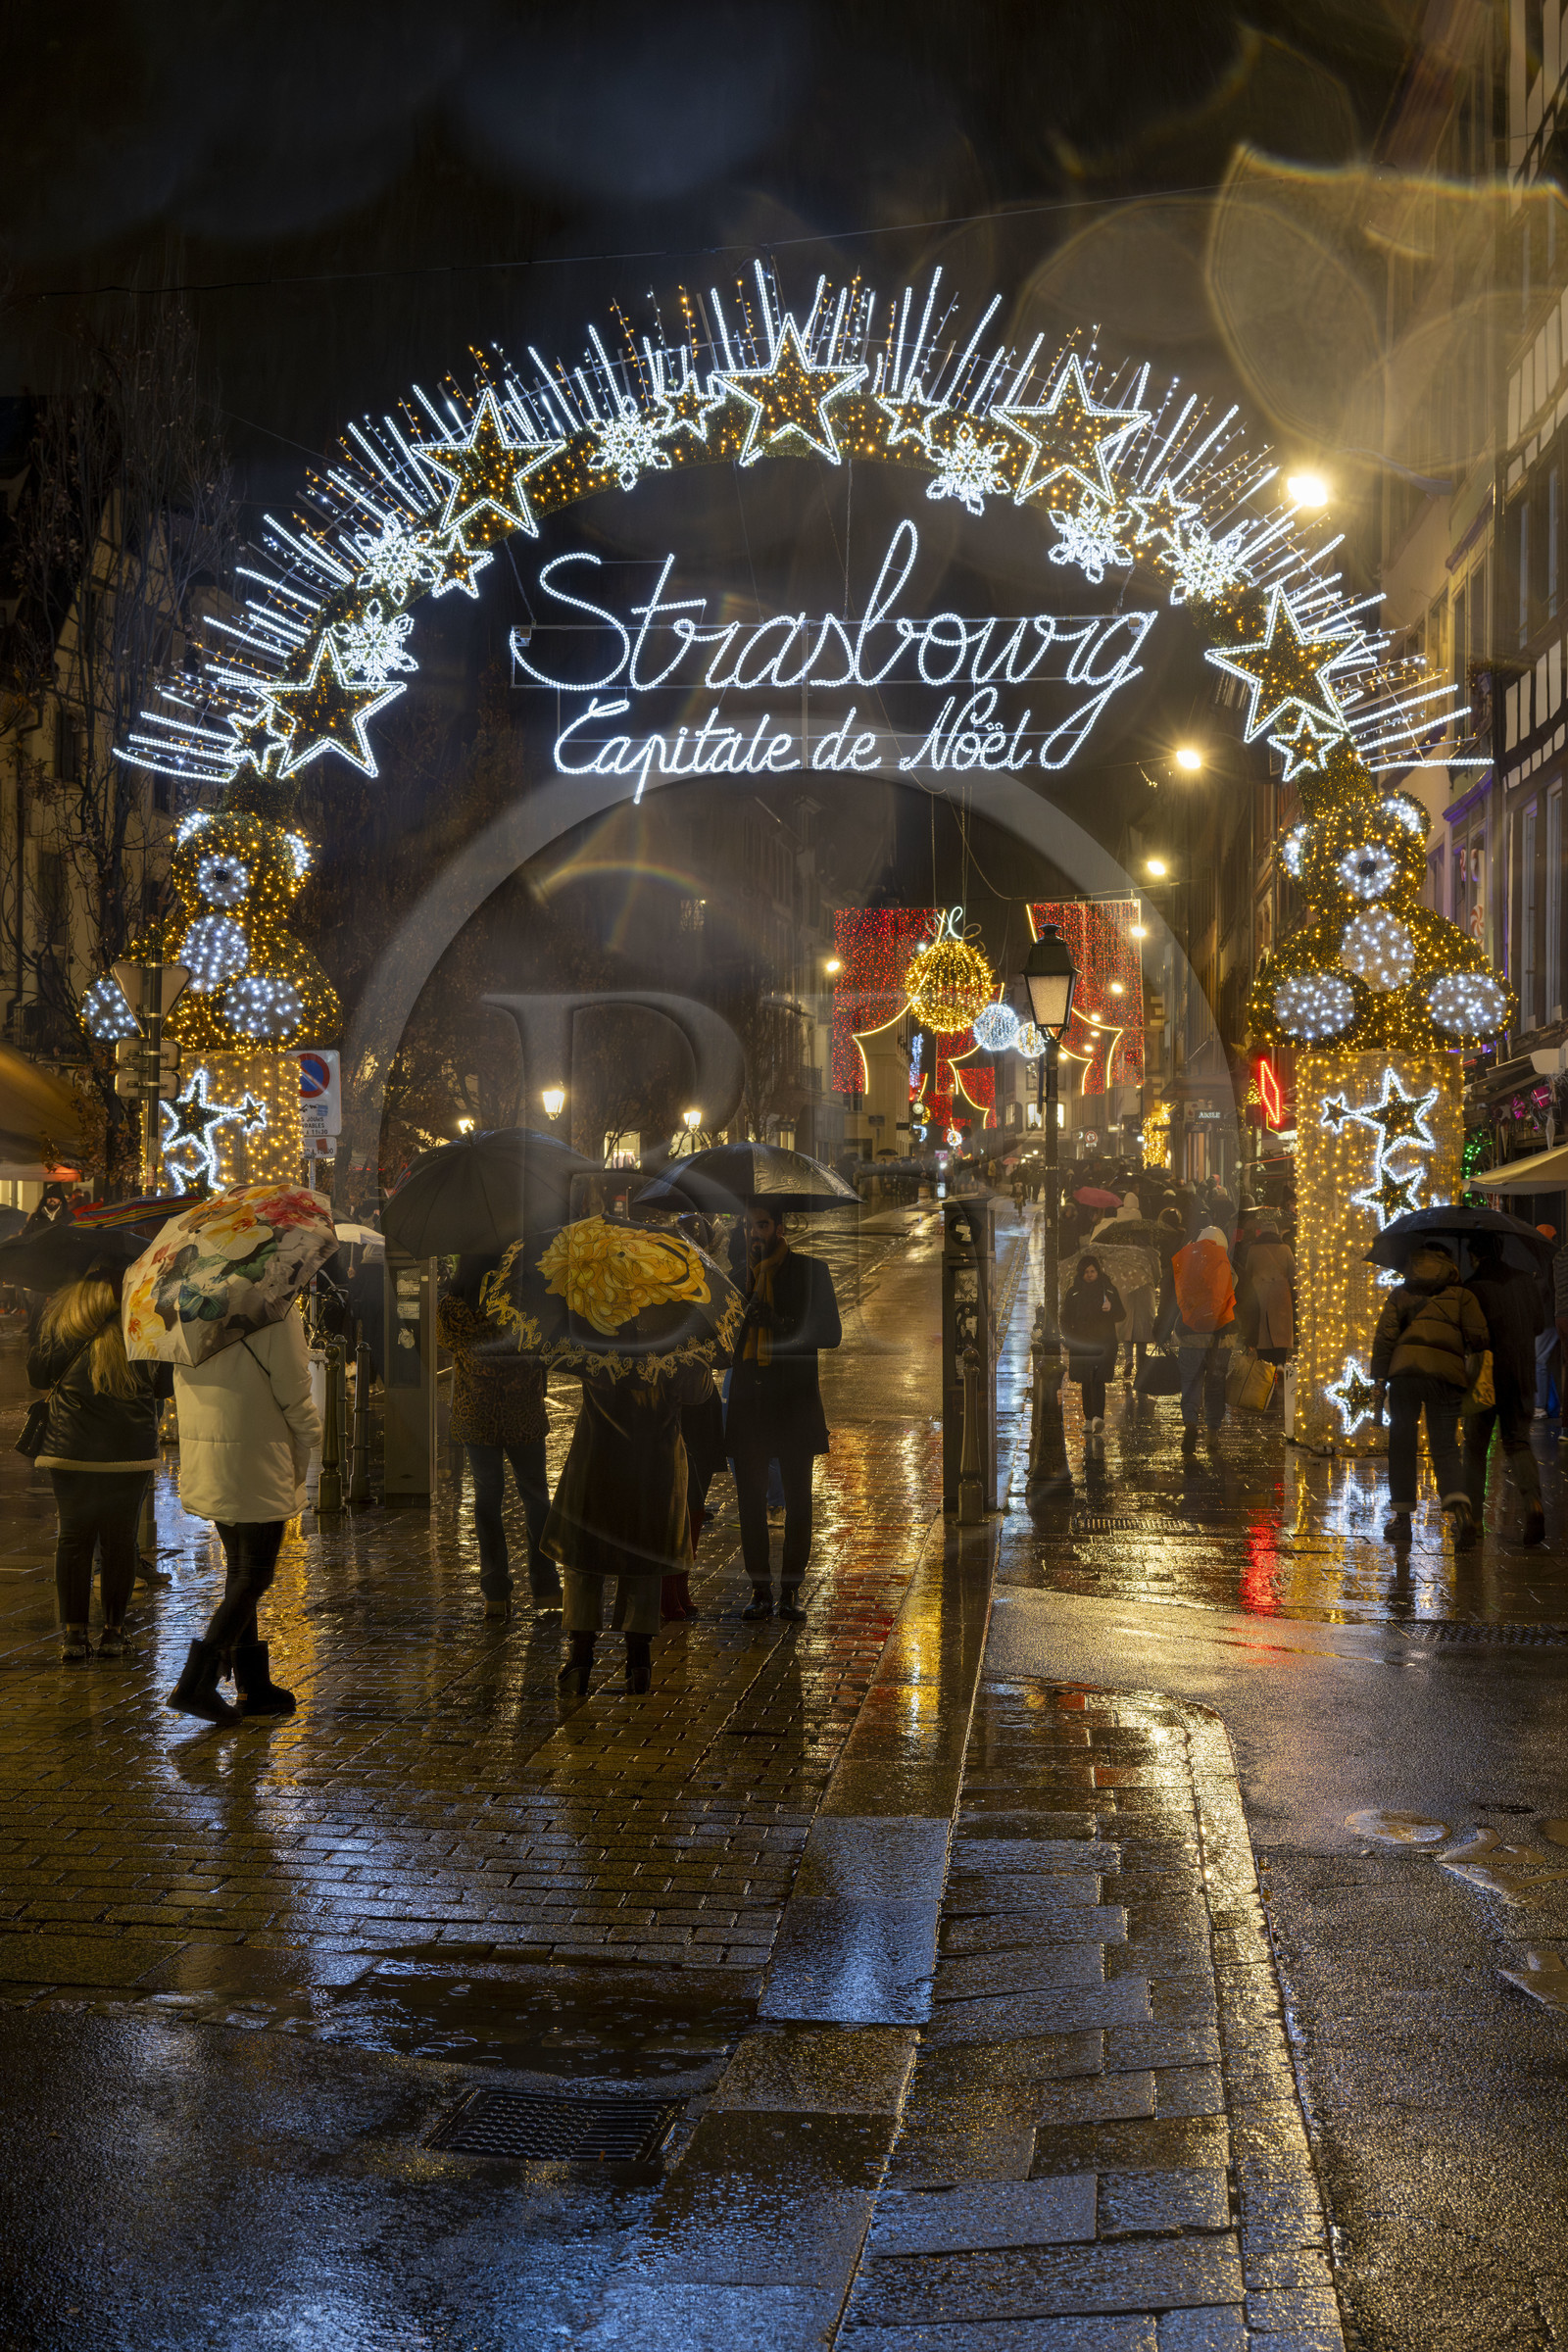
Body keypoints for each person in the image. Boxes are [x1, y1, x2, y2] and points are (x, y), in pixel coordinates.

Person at [165, 1303, 322, 1726]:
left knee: (240, 1572)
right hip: (258, 1453)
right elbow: (292, 1385)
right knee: (254, 1574)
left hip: (208, 1451)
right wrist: (314, 1434)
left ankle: (254, 1685)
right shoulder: (274, 1309)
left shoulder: (188, 1307)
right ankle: (197, 1683)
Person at [26, 1267, 172, 1662]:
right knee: (120, 1541)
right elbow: (163, 1388)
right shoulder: (146, 1320)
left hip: (70, 1448)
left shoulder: (62, 1320)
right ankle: (114, 1632)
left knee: (73, 1539)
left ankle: (74, 1637)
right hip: (129, 1452)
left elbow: (36, 1374)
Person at [549, 1362, 711, 1695]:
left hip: (598, 1449)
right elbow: (697, 1392)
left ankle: (580, 1657)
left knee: (584, 1555)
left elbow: (572, 1357)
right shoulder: (676, 1324)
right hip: (655, 1457)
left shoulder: (593, 1317)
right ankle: (639, 1660)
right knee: (644, 1555)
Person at [725, 1200, 842, 1622]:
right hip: (749, 1402)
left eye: (761, 1225)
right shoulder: (735, 1277)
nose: (753, 1235)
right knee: (750, 1503)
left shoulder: (811, 1271)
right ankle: (759, 1591)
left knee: (798, 1500)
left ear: (780, 1227)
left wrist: (776, 1321)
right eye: (747, 1227)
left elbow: (830, 1334)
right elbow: (721, 1348)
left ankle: (791, 1591)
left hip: (793, 1401)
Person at [437, 1254, 560, 1621]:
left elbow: (447, 1341)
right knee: (536, 1497)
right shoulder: (528, 1303)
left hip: (478, 1416)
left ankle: (495, 1592)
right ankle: (546, 1586)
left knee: (487, 1499)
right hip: (524, 1414)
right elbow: (547, 1346)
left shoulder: (453, 1308)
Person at [1371, 1245, 1488, 1547]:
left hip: (1404, 1376)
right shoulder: (1463, 1296)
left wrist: (1379, 1379)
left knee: (1402, 1443)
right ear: (1448, 1264)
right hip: (1446, 1377)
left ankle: (1402, 1521)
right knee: (1446, 1446)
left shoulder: (1400, 1294)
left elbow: (1385, 1339)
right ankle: (1461, 1511)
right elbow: (1480, 1338)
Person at [1462, 1234, 1546, 1544]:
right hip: (1521, 1374)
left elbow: (1470, 1333)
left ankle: (1472, 1519)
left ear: (1475, 1255)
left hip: (1486, 1377)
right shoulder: (1524, 1281)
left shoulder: (1472, 1286)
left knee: (1475, 1449)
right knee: (1518, 1444)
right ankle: (1534, 1504)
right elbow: (1538, 1325)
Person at [1172, 1224, 1237, 1454]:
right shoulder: (1229, 1267)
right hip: (1222, 1336)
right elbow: (1242, 1302)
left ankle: (1190, 1422)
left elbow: (1171, 1301)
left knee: (1190, 1382)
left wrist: (1162, 1328)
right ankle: (1212, 1434)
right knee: (1216, 1384)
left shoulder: (1185, 1265)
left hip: (1190, 1333)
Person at [1060, 1252, 1124, 1435]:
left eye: (1093, 1271)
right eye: (1086, 1271)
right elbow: (1065, 1318)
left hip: (1104, 1343)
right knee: (1086, 1381)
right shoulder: (1074, 1292)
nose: (1090, 1274)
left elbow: (1121, 1314)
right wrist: (1069, 1338)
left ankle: (1098, 1417)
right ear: (1081, 1273)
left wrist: (1111, 1308)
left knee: (1098, 1380)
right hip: (1082, 1343)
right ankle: (1088, 1418)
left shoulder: (1108, 1290)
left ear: (1098, 1271)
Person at [1240, 1221, 1295, 1364]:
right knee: (1280, 1337)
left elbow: (1248, 1272)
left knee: (1263, 1338)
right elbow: (1293, 1274)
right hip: (1281, 1295)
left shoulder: (1253, 1250)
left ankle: (1265, 1378)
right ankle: (1281, 1380)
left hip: (1260, 1295)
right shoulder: (1285, 1249)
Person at [1534, 1225, 1559, 1422]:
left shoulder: (1544, 1261)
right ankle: (1549, 1405)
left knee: (1539, 1361)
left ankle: (1540, 1406)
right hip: (1552, 1316)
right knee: (1544, 1361)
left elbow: (1543, 1290)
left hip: (1548, 1317)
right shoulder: (1554, 1258)